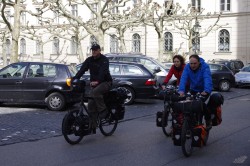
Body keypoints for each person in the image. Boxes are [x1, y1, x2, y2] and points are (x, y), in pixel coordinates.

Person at [73, 43, 112, 130]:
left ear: (99, 50)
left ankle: (103, 110)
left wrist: (97, 81)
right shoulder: (89, 60)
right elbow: (82, 70)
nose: (93, 52)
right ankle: (92, 126)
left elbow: (103, 72)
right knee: (90, 105)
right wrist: (75, 78)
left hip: (105, 82)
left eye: (95, 50)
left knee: (95, 92)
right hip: (94, 83)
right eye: (92, 50)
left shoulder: (104, 60)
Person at [178, 54, 213, 128]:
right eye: (191, 63)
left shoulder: (204, 66)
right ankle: (188, 125)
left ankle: (208, 120)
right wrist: (181, 90)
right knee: (189, 105)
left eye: (195, 63)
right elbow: (183, 78)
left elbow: (207, 78)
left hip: (204, 90)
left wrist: (206, 90)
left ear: (199, 62)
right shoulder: (187, 67)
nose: (193, 65)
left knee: (202, 105)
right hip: (193, 89)